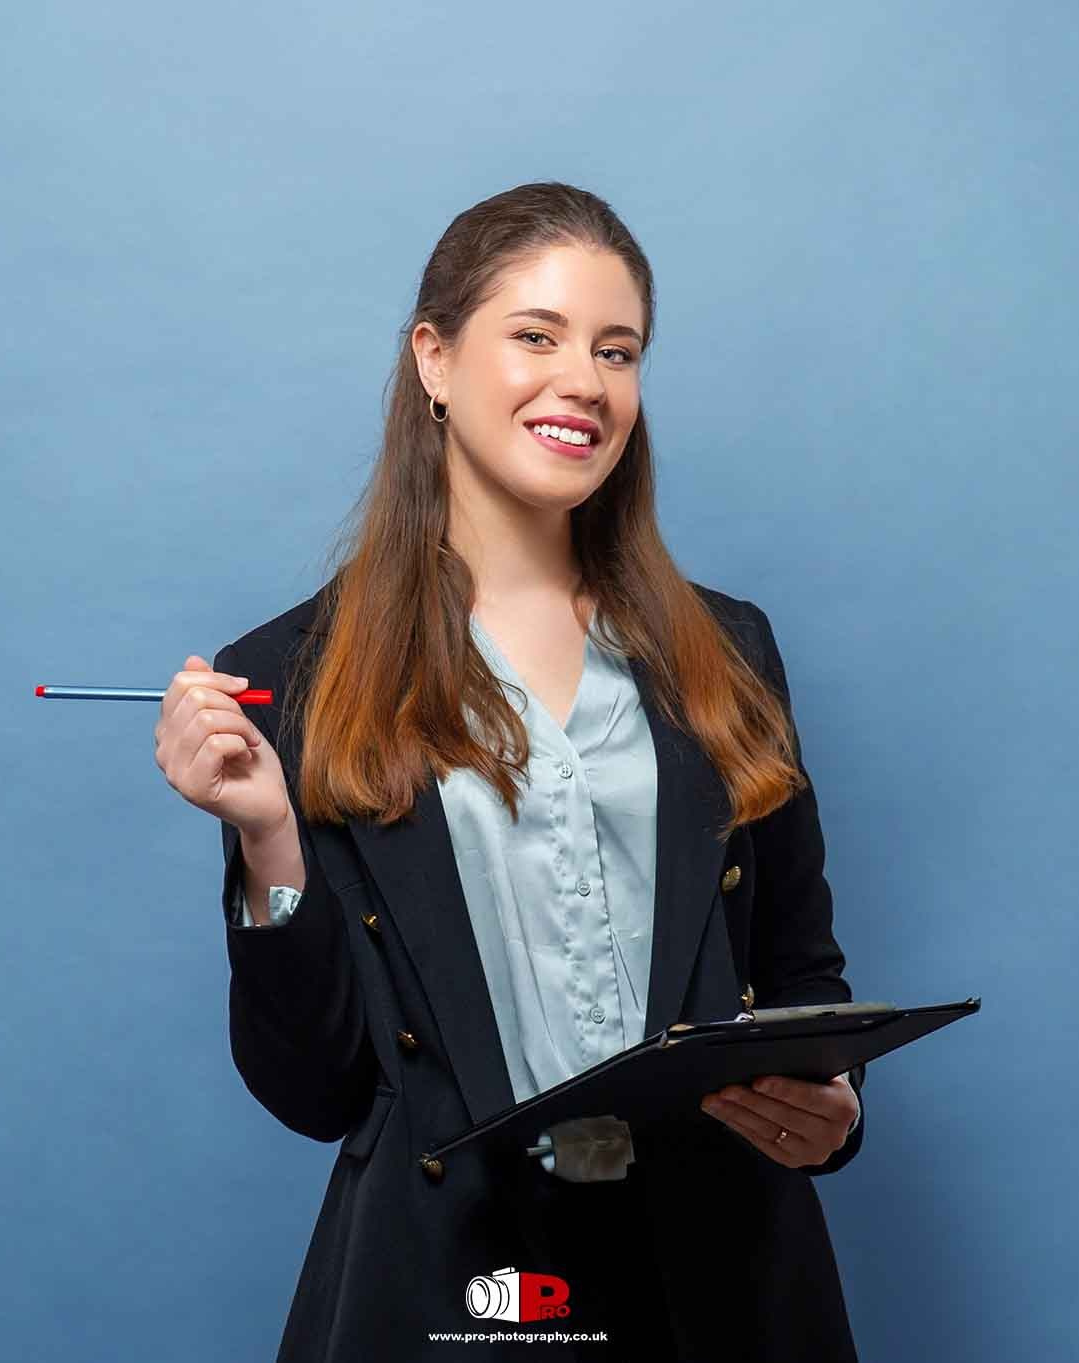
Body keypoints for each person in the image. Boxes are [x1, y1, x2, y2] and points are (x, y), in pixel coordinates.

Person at [154, 182, 866, 1362]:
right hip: (458, 1289)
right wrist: (265, 841)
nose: (582, 381)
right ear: (432, 359)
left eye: (616, 350)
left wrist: (829, 1114)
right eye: (534, 335)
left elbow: (800, 972)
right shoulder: (290, 674)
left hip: (724, 1284)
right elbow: (312, 1091)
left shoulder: (729, 649)